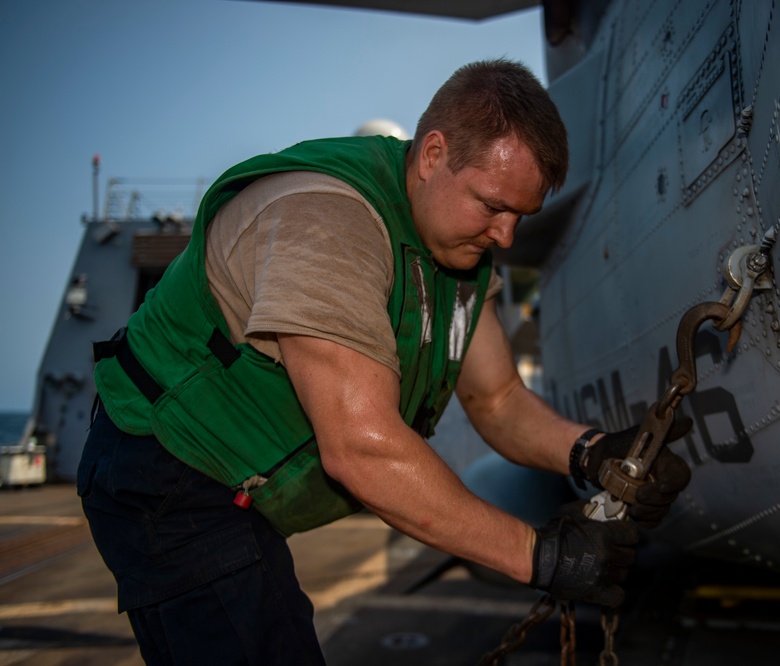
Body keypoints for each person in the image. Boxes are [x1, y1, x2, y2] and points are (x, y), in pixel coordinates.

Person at [78, 59, 692, 664]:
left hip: (232, 482)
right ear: (431, 156)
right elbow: (361, 449)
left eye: (520, 217)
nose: (506, 237)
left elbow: (498, 399)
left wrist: (594, 451)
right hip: (164, 471)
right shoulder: (328, 222)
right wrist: (541, 555)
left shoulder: (460, 250)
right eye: (492, 206)